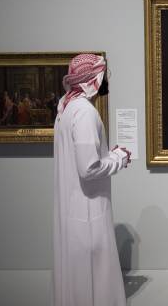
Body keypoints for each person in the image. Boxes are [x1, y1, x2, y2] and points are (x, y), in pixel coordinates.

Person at [53, 54, 131, 306]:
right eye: (104, 74)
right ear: (95, 79)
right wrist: (119, 157)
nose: (107, 79)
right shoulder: (85, 112)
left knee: (78, 273)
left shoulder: (66, 107)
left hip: (74, 205)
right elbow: (88, 168)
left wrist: (108, 155)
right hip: (87, 208)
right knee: (94, 271)